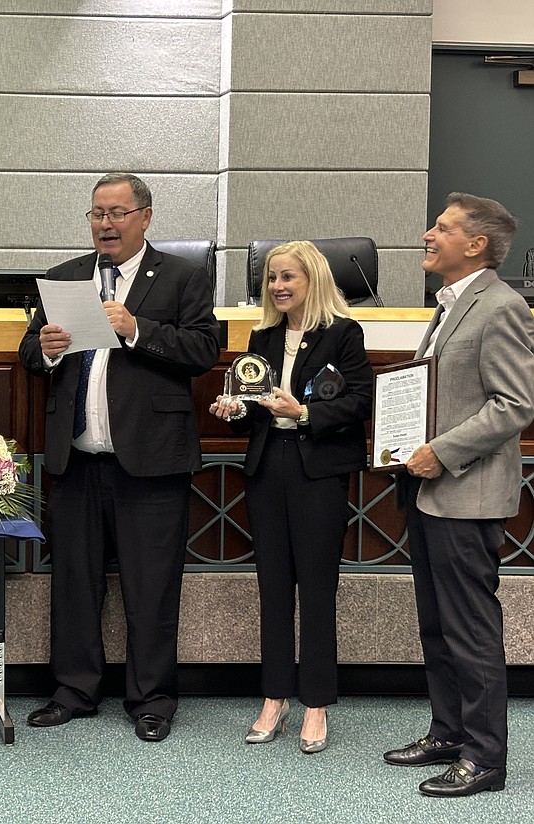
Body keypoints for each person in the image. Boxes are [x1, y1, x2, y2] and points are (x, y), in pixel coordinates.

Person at [19, 173, 220, 740]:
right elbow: (30, 353)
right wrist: (48, 351)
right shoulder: (64, 278)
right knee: (75, 584)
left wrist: (138, 330)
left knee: (152, 586)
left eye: (116, 213)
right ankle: (75, 691)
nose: (105, 223)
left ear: (145, 217)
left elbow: (205, 349)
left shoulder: (182, 276)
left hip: (152, 461)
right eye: (96, 214)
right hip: (77, 460)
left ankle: (152, 698)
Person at [381, 193, 534, 797]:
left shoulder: (500, 306)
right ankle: (447, 733)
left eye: (441, 228)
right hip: (428, 494)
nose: (427, 234)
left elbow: (516, 404)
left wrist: (440, 451)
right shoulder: (449, 306)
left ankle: (485, 759)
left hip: (465, 494)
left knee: (470, 631)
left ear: (475, 245)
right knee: (438, 627)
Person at [209, 241, 373, 753]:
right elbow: (256, 400)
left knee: (317, 588)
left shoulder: (344, 333)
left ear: (313, 281)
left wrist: (303, 413)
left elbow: (360, 400)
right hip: (268, 466)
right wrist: (238, 411)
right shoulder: (261, 335)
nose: (278, 286)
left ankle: (317, 701)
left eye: (289, 278)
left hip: (318, 471)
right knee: (273, 586)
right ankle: (274, 696)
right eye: (272, 278)